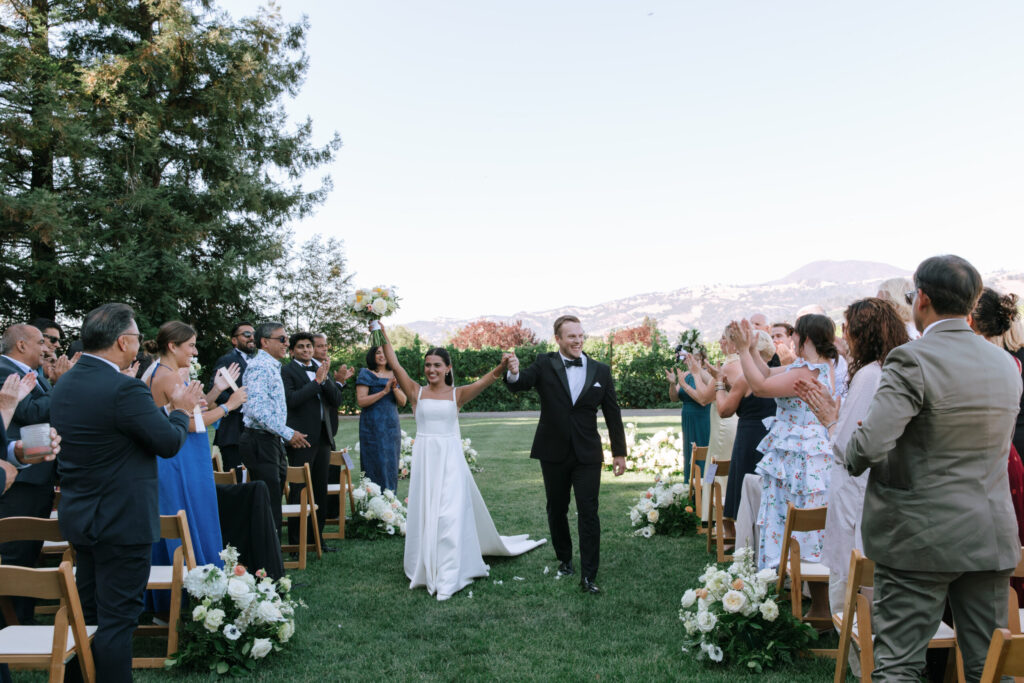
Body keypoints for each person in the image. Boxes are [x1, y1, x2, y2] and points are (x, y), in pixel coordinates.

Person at [844, 255, 1022, 681]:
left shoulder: (911, 359)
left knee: (901, 664)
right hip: (988, 533)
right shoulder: (1006, 364)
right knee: (990, 668)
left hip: (917, 537)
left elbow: (868, 446)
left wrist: (857, 443)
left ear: (921, 299)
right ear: (972, 301)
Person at [50, 303, 202, 683]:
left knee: (88, 617)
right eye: (135, 339)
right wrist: (181, 410)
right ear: (122, 342)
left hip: (80, 516)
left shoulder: (65, 382)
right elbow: (167, 442)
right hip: (121, 521)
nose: (139, 345)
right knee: (118, 621)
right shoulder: (124, 388)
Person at [380, 325, 546, 601]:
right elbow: (394, 363)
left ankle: (449, 575)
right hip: (426, 463)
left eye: (436, 365)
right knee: (428, 513)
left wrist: (502, 365)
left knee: (448, 514)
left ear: (447, 368)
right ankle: (428, 562)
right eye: (427, 365)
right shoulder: (415, 392)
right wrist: (379, 330)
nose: (431, 370)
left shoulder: (457, 394)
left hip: (451, 463)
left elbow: (487, 380)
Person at [794, 298, 910, 643]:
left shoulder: (870, 375)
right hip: (880, 488)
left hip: (856, 487)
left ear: (861, 333)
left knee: (851, 575)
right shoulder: (891, 368)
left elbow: (848, 446)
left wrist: (830, 421)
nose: (843, 336)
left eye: (847, 328)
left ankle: (859, 657)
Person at [506, 315, 627, 594]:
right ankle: (564, 559)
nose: (578, 340)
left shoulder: (601, 371)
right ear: (558, 339)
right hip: (553, 450)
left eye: (581, 335)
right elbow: (520, 382)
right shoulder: (544, 364)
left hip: (587, 453)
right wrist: (513, 371)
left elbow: (612, 413)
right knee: (557, 508)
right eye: (571, 336)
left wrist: (619, 452)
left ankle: (588, 576)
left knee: (589, 511)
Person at [142, 321, 247, 608]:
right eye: (190, 345)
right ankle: (191, 597)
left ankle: (171, 600)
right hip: (181, 459)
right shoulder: (168, 377)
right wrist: (230, 405)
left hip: (180, 455)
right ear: (172, 346)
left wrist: (216, 391)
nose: (195, 350)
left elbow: (195, 408)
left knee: (187, 519)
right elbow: (190, 423)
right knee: (191, 517)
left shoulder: (164, 372)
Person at [728, 314, 837, 570]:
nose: (791, 340)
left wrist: (742, 350)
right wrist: (753, 349)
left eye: (794, 334)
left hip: (799, 455)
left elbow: (761, 387)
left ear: (805, 338)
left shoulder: (807, 372)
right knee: (785, 510)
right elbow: (766, 372)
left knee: (791, 511)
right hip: (796, 451)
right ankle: (789, 573)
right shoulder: (810, 365)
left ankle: (797, 571)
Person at [968, 287, 1024, 604]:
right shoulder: (1010, 362)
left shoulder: (974, 362)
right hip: (1007, 456)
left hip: (981, 461)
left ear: (971, 320)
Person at [0, 324, 57, 623]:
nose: (46, 348)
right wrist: (62, 386)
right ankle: (11, 624)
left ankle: (23, 619)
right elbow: (30, 413)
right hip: (18, 480)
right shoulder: (3, 370)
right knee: (15, 554)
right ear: (21, 345)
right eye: (40, 342)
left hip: (36, 473)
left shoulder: (25, 371)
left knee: (29, 552)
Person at [241, 322, 309, 533]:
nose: (286, 343)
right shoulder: (261, 367)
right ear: (264, 342)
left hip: (271, 440)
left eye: (286, 339)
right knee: (268, 505)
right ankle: (267, 560)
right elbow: (257, 411)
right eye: (282, 339)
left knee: (273, 502)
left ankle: (272, 556)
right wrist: (288, 433)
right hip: (260, 441)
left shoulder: (270, 366)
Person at [281, 332, 343, 546]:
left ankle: (318, 538)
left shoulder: (320, 369)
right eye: (300, 347)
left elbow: (336, 399)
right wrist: (316, 382)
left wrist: (324, 380)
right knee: (299, 490)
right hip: (301, 438)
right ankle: (297, 542)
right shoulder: (287, 371)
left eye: (309, 346)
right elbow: (292, 400)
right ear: (292, 351)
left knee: (319, 488)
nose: (306, 350)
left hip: (323, 437)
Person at [716, 331, 778, 529]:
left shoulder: (745, 379)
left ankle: (738, 534)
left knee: (742, 481)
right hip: (773, 436)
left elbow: (724, 411)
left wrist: (719, 384)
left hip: (749, 437)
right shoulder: (779, 374)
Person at [356, 345, 406, 492]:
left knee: (391, 462)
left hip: (391, 425)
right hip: (371, 425)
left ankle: (391, 501)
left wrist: (395, 388)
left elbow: (403, 402)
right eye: (378, 353)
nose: (382, 355)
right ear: (372, 355)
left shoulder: (395, 374)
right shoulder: (366, 374)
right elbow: (362, 401)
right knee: (373, 461)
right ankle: (372, 501)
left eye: (385, 352)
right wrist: (384, 391)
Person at [210, 321, 255, 474]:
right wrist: (236, 402)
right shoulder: (226, 360)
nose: (251, 338)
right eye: (246, 334)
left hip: (255, 432)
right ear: (234, 340)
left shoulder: (258, 361)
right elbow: (215, 390)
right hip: (233, 431)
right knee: (236, 480)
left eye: (253, 334)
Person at [665, 353, 710, 482]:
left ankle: (704, 485)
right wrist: (673, 384)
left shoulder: (706, 377)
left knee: (702, 449)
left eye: (695, 359)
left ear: (702, 361)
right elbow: (674, 398)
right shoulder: (685, 375)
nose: (690, 362)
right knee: (689, 451)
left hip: (702, 419)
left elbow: (703, 400)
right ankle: (689, 485)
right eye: (688, 359)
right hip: (687, 419)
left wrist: (684, 385)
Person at [876, 276, 921, 341]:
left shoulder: (901, 334)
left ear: (896, 304)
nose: (875, 308)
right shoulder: (917, 330)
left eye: (880, 303)